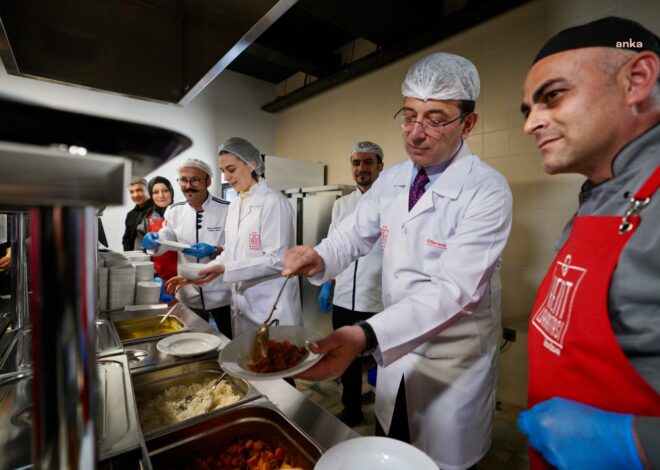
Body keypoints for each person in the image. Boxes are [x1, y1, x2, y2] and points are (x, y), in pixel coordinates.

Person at [283, 52, 513, 469]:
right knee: (391, 448)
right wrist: (317, 256)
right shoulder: (392, 180)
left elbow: (453, 290)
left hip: (452, 366)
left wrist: (364, 335)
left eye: (435, 118)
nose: (416, 133)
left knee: (442, 463)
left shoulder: (487, 190)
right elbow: (352, 234)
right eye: (408, 116)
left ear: (468, 123)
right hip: (396, 355)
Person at [516, 17, 660, 470]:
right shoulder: (598, 197)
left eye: (552, 96)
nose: (532, 124)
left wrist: (639, 444)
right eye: (528, 109)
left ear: (637, 80)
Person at [176, 137, 303, 337]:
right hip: (242, 307)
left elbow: (277, 261)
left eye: (231, 169)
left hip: (270, 307)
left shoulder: (273, 202)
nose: (226, 177)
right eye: (222, 171)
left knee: (273, 364)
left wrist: (224, 268)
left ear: (251, 164)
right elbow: (231, 252)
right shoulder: (236, 204)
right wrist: (202, 272)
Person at [317, 141, 385, 427]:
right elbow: (334, 247)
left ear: (380, 166)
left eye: (368, 162)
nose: (361, 169)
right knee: (346, 359)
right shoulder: (341, 205)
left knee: (383, 361)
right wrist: (327, 283)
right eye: (356, 163)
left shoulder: (391, 202)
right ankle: (352, 409)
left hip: (377, 297)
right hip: (344, 296)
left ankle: (385, 411)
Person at [142, 159, 232, 338]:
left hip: (222, 294)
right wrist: (154, 242)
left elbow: (238, 247)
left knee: (229, 340)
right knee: (193, 341)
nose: (188, 186)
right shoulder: (174, 211)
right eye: (183, 180)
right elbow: (166, 238)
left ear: (208, 181)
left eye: (195, 180)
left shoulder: (227, 209)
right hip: (188, 294)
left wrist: (215, 249)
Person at [135, 176, 178, 302]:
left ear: (171, 192)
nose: (161, 195)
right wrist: (152, 277)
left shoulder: (183, 215)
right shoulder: (145, 221)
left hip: (185, 278)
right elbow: (139, 255)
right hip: (160, 281)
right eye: (155, 192)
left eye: (165, 190)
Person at [122, 177, 153, 251]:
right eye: (131, 192)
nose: (135, 195)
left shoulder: (158, 210)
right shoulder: (130, 215)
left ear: (148, 190)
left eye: (139, 190)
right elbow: (126, 240)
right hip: (135, 259)